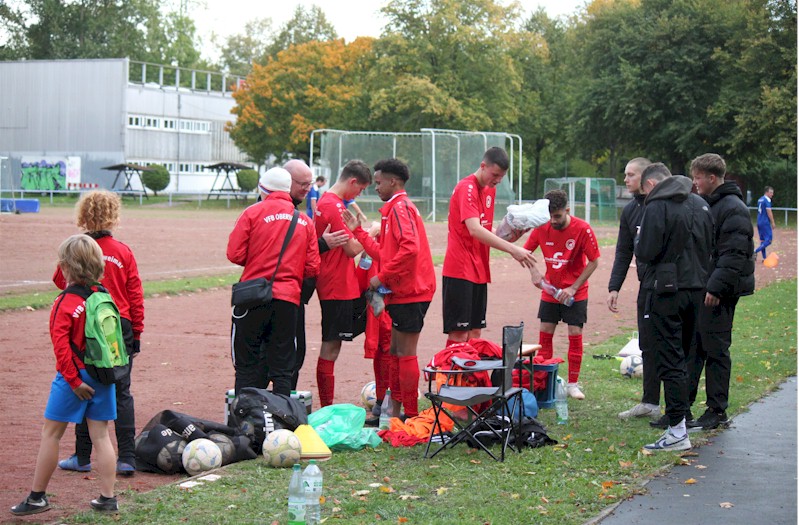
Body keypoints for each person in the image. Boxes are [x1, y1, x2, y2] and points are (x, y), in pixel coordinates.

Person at [12, 234, 119, 516]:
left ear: (65, 265)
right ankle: (108, 498)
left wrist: (73, 381)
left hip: (74, 377)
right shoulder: (102, 294)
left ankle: (37, 497)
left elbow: (61, 348)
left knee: (51, 434)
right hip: (102, 372)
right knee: (102, 436)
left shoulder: (65, 302)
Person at [52, 191, 144, 476]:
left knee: (86, 384)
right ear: (114, 216)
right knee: (122, 390)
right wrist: (137, 332)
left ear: (82, 216)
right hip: (119, 328)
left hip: (85, 326)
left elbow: (59, 281)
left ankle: (82, 456)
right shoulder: (123, 251)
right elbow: (135, 294)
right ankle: (127, 457)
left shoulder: (77, 250)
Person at [342, 158, 436, 420]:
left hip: (412, 291)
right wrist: (359, 232)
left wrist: (379, 279)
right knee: (395, 351)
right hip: (403, 291)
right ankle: (395, 411)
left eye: (379, 181)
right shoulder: (396, 208)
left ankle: (412, 415)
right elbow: (384, 253)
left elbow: (410, 249)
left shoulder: (400, 208)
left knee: (405, 353)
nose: (375, 187)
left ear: (393, 182)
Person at [634, 163, 713, 451]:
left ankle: (677, 430)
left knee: (670, 358)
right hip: (697, 288)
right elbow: (709, 248)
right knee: (687, 355)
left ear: (652, 185)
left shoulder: (657, 206)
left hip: (667, 291)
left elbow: (645, 250)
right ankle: (682, 419)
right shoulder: (701, 204)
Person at [227, 167, 321, 396]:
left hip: (253, 297)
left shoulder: (252, 213)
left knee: (246, 364)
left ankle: (245, 421)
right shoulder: (304, 221)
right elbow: (312, 267)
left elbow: (234, 254)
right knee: (283, 368)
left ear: (263, 189)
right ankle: (282, 423)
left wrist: (259, 258)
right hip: (288, 299)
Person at [442, 147, 536, 346]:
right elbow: (475, 230)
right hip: (460, 269)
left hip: (479, 269)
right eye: (495, 175)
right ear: (483, 166)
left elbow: (486, 230)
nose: (497, 180)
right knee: (459, 333)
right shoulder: (466, 188)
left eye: (501, 177)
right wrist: (513, 250)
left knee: (475, 332)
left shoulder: (489, 190)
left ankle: (471, 377)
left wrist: (512, 234)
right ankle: (451, 377)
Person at [687, 153, 754, 430]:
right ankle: (682, 409)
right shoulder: (710, 204)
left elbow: (734, 253)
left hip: (720, 291)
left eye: (698, 177)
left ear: (712, 178)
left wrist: (715, 287)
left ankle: (717, 410)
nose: (695, 183)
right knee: (697, 346)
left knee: (715, 349)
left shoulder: (732, 207)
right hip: (704, 286)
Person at [524, 189, 600, 400]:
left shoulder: (582, 229)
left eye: (557, 216)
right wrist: (535, 272)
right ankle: (543, 381)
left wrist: (573, 288)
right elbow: (525, 252)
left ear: (567, 210)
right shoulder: (541, 227)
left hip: (575, 293)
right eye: (549, 216)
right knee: (545, 331)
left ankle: (573, 384)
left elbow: (594, 261)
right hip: (551, 292)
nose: (552, 220)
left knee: (575, 332)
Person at [607, 158, 664, 419]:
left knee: (674, 346)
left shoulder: (664, 206)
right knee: (648, 343)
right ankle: (650, 402)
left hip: (672, 286)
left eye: (631, 175)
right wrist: (614, 286)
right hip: (646, 286)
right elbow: (623, 250)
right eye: (625, 174)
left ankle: (679, 408)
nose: (626, 179)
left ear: (646, 178)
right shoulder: (630, 210)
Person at [284, 160, 348, 389]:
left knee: (290, 354)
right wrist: (322, 244)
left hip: (288, 294)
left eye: (309, 184)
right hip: (285, 295)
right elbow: (289, 252)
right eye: (302, 184)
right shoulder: (285, 212)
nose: (307, 189)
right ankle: (278, 408)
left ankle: (268, 406)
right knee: (289, 355)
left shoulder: (289, 210)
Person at [314, 160, 373, 406]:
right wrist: (372, 234)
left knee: (374, 318)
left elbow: (357, 223)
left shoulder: (335, 203)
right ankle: (326, 406)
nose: (360, 194)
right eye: (360, 189)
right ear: (352, 182)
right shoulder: (333, 207)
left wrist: (354, 210)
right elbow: (351, 249)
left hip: (342, 282)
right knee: (332, 345)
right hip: (335, 284)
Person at [754, 186, 775, 260]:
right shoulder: (767, 200)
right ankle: (755, 251)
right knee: (769, 240)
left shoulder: (760, 199)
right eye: (771, 192)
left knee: (762, 240)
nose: (772, 194)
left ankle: (764, 258)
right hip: (765, 222)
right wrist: (772, 222)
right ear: (766, 192)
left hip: (759, 221)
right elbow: (769, 212)